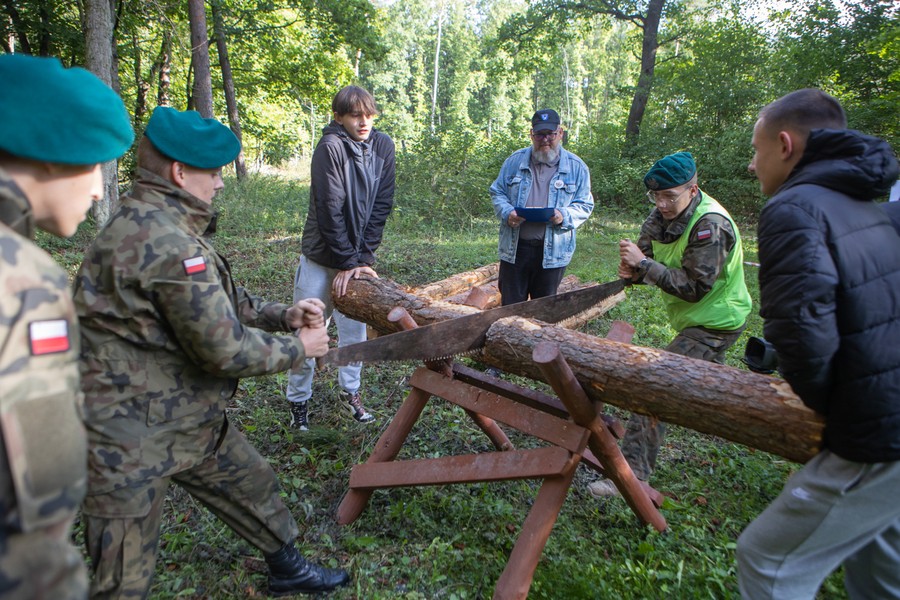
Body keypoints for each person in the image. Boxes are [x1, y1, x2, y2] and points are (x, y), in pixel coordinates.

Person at [72, 106, 350, 598]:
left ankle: (287, 569)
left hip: (179, 415)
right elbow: (222, 350)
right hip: (128, 434)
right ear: (180, 172)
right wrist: (299, 346)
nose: (220, 183)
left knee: (252, 483)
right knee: (123, 577)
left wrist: (280, 315)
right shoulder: (166, 242)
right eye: (214, 172)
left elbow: (218, 304)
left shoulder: (160, 222)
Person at [736, 88, 900, 598]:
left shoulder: (795, 208)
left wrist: (841, 406)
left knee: (768, 562)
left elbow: (803, 334)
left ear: (785, 144)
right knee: (882, 565)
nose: (751, 164)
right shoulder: (863, 202)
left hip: (880, 430)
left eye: (757, 150)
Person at [0, 54, 133, 600]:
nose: (100, 189)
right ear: (49, 157)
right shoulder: (24, 282)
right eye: (92, 165)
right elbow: (40, 505)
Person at [589, 151, 752, 498]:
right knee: (703, 388)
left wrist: (644, 265)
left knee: (656, 387)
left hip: (716, 321)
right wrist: (631, 272)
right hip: (695, 318)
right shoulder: (660, 214)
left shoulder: (712, 225)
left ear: (693, 190)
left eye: (669, 196)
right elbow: (644, 260)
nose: (661, 204)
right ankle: (740, 414)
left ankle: (632, 475)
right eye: (656, 196)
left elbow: (694, 287)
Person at [286, 85, 395, 430]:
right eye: (355, 115)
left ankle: (351, 394)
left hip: (357, 261)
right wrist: (347, 262)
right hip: (321, 258)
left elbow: (381, 206)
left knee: (354, 334)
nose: (364, 122)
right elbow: (329, 209)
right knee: (308, 330)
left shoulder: (382, 145)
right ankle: (298, 401)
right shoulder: (329, 148)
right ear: (339, 117)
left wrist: (363, 259)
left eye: (369, 115)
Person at [489, 109, 594, 307]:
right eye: (539, 134)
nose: (545, 139)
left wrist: (563, 215)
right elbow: (497, 192)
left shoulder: (577, 167)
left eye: (550, 134)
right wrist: (507, 212)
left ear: (560, 133)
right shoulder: (514, 162)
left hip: (553, 252)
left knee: (544, 309)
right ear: (532, 134)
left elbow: (585, 204)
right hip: (515, 248)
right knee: (510, 308)